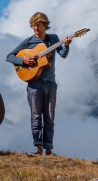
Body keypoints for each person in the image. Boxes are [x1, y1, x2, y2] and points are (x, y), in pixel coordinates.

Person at [6, 12, 72, 155]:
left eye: (38, 25)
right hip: (34, 83)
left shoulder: (53, 39)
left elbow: (63, 54)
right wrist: (23, 61)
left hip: (50, 82)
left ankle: (48, 149)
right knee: (36, 115)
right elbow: (9, 57)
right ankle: (38, 147)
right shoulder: (29, 41)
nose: (35, 27)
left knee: (49, 115)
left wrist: (66, 45)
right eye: (33, 25)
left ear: (45, 25)